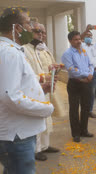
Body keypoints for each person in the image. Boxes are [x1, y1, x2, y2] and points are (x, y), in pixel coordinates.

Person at [0, 7, 54, 174]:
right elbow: (11, 96)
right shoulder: (9, 53)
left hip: (17, 134)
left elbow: (13, 88)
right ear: (17, 28)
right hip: (16, 136)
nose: (31, 28)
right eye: (28, 24)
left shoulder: (9, 50)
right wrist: (45, 108)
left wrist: (39, 88)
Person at [23, 22, 60, 161]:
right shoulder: (24, 49)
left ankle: (45, 146)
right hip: (33, 89)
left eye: (43, 32)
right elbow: (27, 73)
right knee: (36, 119)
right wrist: (44, 77)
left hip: (45, 89)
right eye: (37, 31)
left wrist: (53, 69)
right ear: (30, 32)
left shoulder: (44, 49)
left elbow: (48, 67)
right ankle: (36, 149)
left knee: (46, 118)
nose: (41, 34)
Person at [62, 31, 94, 143]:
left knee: (86, 107)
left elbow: (91, 64)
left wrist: (91, 75)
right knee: (74, 109)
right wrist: (86, 75)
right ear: (70, 41)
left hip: (86, 83)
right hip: (74, 84)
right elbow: (72, 70)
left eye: (79, 39)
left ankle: (84, 130)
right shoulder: (67, 54)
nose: (79, 41)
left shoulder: (84, 51)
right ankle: (76, 133)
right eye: (76, 39)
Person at [81, 24, 96, 118]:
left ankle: (90, 110)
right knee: (84, 92)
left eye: (90, 36)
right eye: (87, 36)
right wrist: (85, 30)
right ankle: (84, 110)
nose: (89, 37)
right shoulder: (81, 45)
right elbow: (79, 38)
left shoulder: (95, 46)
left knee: (92, 92)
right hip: (84, 72)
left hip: (94, 72)